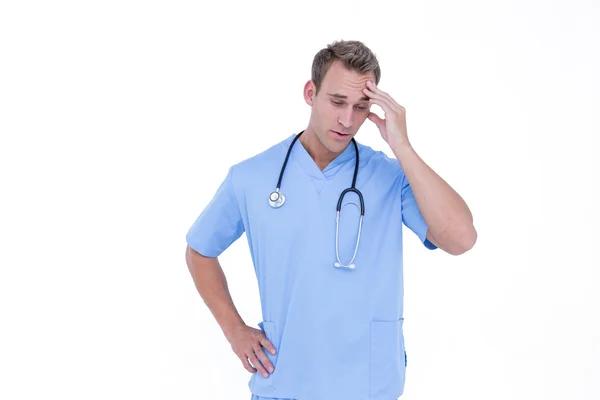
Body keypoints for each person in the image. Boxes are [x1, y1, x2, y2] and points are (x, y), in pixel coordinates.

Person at [185, 40, 477, 400]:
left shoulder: (391, 178)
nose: (347, 120)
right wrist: (234, 331)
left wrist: (401, 146)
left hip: (370, 387)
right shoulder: (251, 177)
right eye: (337, 102)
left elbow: (461, 238)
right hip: (286, 382)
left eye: (361, 107)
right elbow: (199, 251)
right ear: (311, 92)